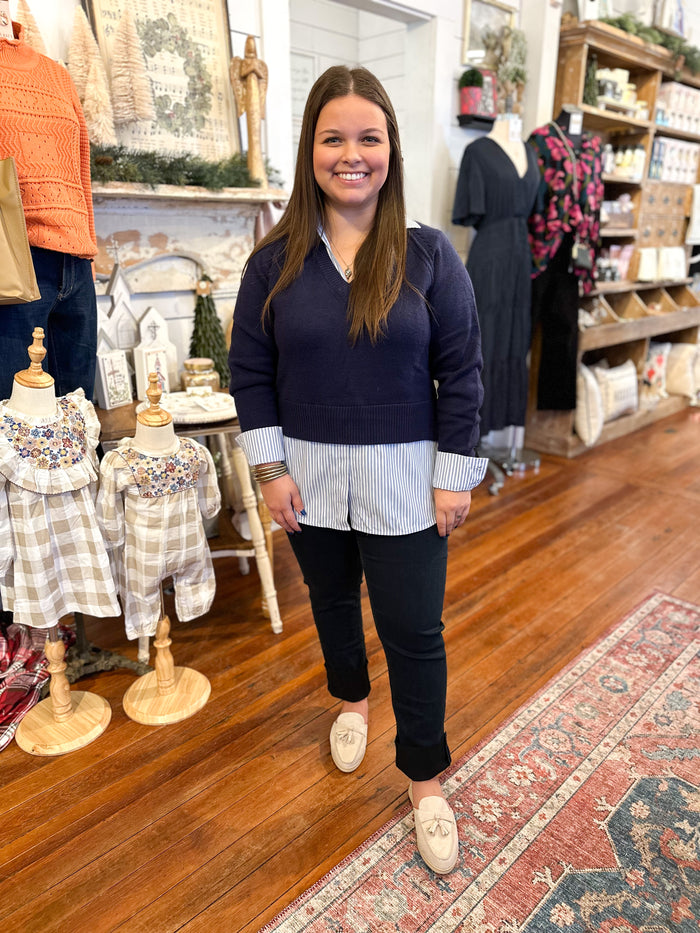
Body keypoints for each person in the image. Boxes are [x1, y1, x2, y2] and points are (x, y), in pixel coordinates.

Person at [228, 65, 486, 874]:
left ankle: (424, 776)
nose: (351, 154)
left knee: (414, 629)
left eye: (367, 138)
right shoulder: (273, 262)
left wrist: (455, 472)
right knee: (334, 604)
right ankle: (350, 698)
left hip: (408, 480)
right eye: (333, 137)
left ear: (390, 150)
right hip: (306, 476)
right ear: (310, 151)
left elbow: (464, 368)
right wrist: (269, 468)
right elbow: (249, 371)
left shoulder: (429, 255)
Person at [0, 19, 98, 401]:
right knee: (12, 426)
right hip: (13, 267)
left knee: (79, 414)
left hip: (75, 266)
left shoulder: (56, 75)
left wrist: (88, 250)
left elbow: (80, 168)